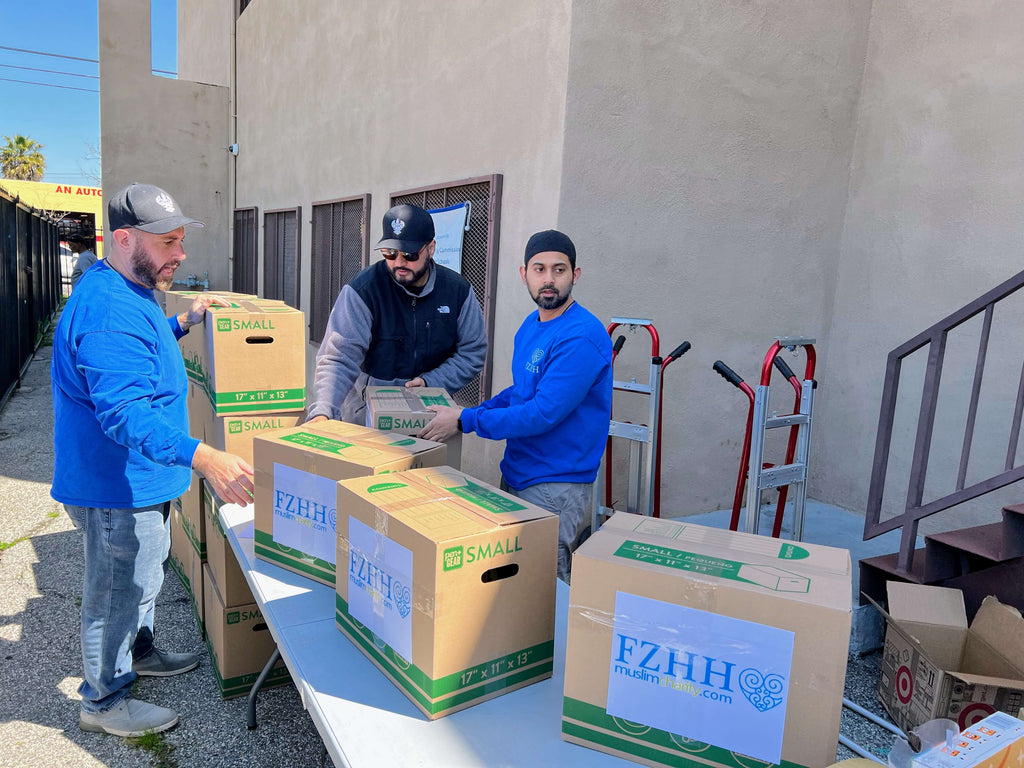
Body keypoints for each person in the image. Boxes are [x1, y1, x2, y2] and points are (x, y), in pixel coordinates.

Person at [51, 182, 256, 737]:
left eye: (181, 240)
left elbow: (136, 354)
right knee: (117, 590)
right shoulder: (108, 311)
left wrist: (181, 324)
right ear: (124, 238)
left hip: (141, 479)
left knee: (141, 576)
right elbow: (125, 413)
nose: (180, 255)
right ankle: (103, 701)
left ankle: (135, 653)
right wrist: (203, 455)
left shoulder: (121, 286)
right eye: (168, 242)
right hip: (118, 485)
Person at [420, 230, 612, 582]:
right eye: (539, 269)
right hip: (518, 472)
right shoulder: (531, 325)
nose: (549, 279)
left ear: (575, 274)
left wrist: (466, 421)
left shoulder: (581, 335)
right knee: (513, 585)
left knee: (541, 587)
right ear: (524, 274)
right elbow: (522, 392)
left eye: (559, 270)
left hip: (556, 483)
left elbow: (543, 413)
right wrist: (477, 410)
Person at [306, 203, 487, 425]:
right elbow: (338, 357)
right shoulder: (363, 291)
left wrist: (432, 381)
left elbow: (472, 352)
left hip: (429, 414)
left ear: (430, 248)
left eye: (409, 254)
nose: (398, 263)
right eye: (389, 253)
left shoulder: (458, 291)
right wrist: (324, 410)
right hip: (365, 416)